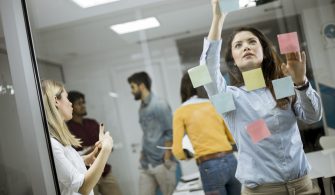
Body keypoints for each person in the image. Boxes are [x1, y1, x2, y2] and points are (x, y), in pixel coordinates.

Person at [201, 0, 323, 194]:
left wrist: (301, 82)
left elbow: (312, 116)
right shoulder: (230, 99)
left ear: (264, 52)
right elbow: (208, 69)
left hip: (303, 187)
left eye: (252, 42)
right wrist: (218, 17)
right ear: (233, 60)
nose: (246, 47)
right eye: (238, 45)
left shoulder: (281, 87)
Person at [172, 73, 241, 195]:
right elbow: (231, 137)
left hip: (209, 166)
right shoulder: (214, 105)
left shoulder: (180, 112)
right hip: (231, 161)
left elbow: (177, 151)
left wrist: (186, 155)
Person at [41, 80, 113, 195]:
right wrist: (105, 150)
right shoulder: (52, 144)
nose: (70, 104)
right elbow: (83, 188)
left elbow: (64, 163)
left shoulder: (58, 140)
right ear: (56, 101)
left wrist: (85, 158)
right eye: (67, 98)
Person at [127, 71, 176, 195]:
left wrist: (166, 157)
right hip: (146, 164)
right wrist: (143, 154)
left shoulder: (159, 104)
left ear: (141, 86)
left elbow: (170, 132)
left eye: (132, 87)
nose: (131, 91)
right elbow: (147, 133)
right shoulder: (142, 108)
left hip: (161, 162)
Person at [67, 91, 123, 195]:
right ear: (71, 106)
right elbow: (72, 156)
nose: (83, 106)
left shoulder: (92, 123)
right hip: (86, 175)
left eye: (83, 102)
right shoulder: (67, 129)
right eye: (79, 103)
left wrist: (105, 144)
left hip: (105, 171)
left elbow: (108, 145)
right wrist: (93, 149)